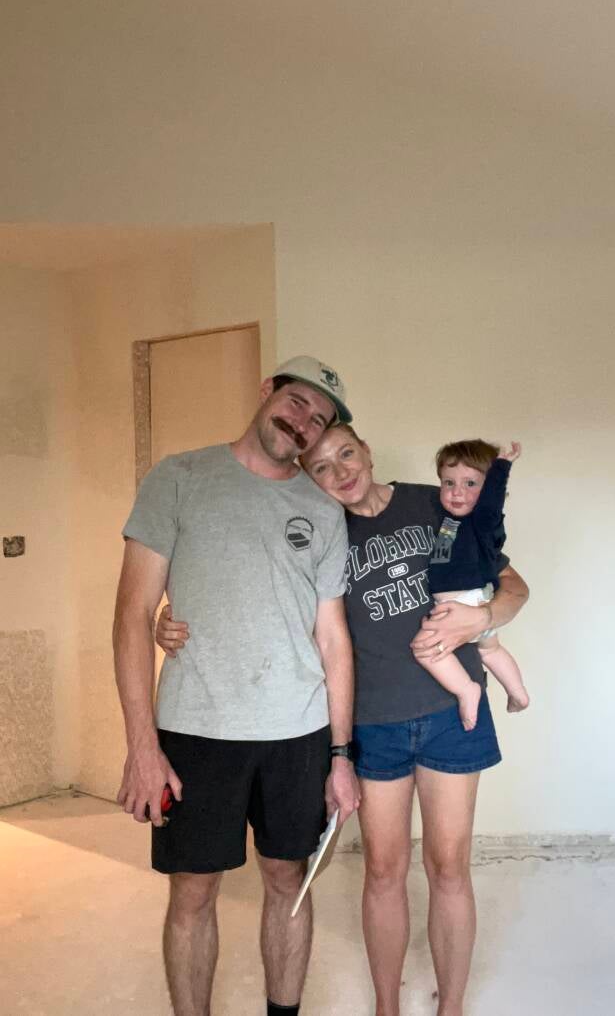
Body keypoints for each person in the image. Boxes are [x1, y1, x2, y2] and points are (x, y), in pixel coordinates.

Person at [158, 421, 529, 1016]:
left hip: (450, 715)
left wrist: (481, 620)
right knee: (382, 870)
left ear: (368, 451)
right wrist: (172, 621)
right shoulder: (315, 528)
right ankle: (386, 1006)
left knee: (449, 866)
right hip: (373, 725)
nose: (340, 472)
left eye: (347, 454)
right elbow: (265, 602)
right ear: (309, 478)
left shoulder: (434, 502)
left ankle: (451, 1006)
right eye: (322, 467)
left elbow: (512, 586)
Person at [113, 355, 361, 1016]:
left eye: (321, 419)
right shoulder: (180, 477)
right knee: (193, 891)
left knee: (289, 879)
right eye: (298, 402)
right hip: (195, 730)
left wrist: (341, 755)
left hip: (297, 733)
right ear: (266, 391)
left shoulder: (323, 510)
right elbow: (133, 615)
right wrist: (142, 747)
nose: (304, 422)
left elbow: (333, 639)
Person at [420, 438, 530, 731]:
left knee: (425, 649)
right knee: (490, 650)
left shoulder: (481, 522)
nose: (457, 492)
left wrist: (502, 466)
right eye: (448, 482)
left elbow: (491, 503)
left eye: (470, 483)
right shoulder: (450, 520)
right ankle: (518, 693)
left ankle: (466, 689)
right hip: (475, 599)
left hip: (461, 603)